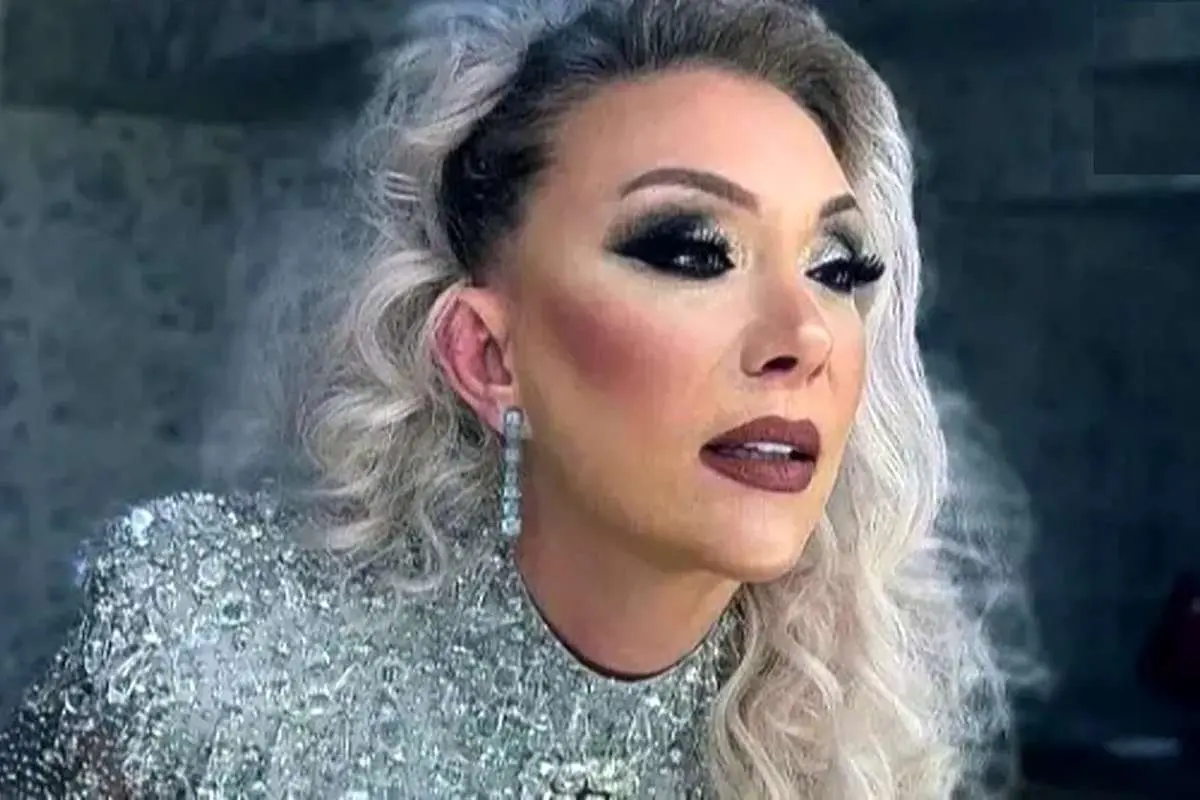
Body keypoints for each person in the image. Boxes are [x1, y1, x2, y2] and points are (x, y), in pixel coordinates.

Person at [0, 0, 1040, 796]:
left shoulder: (863, 735)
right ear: (488, 356)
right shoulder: (198, 650)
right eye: (692, 250)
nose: (805, 336)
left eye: (838, 267)